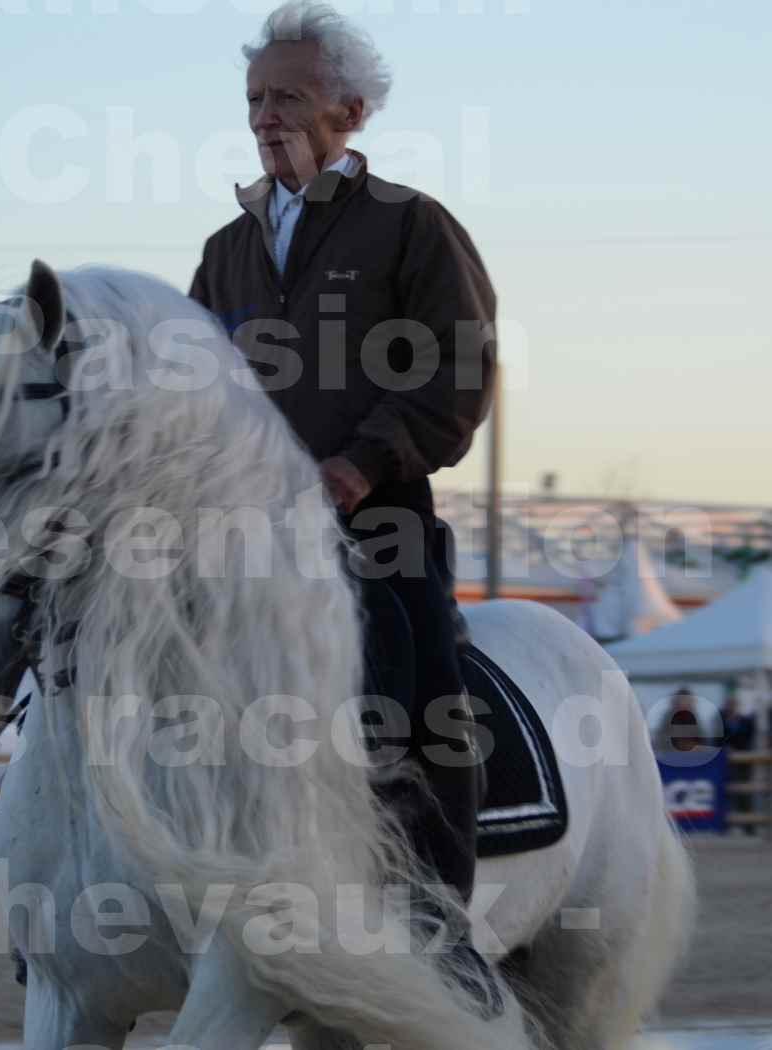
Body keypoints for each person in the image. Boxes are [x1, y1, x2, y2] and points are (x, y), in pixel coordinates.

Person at [189, 0, 500, 1013]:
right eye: (253, 99)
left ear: (350, 111)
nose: (264, 115)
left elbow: (457, 371)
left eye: (287, 97)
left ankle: (435, 922)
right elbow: (190, 390)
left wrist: (359, 468)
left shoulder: (411, 227)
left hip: (378, 519)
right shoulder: (225, 251)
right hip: (246, 533)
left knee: (414, 683)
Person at [717, 688, 757, 835]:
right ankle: (726, 827)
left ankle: (749, 827)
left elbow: (747, 739)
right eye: (729, 704)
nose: (731, 706)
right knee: (725, 793)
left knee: (744, 794)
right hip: (723, 763)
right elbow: (717, 739)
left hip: (742, 763)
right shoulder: (720, 720)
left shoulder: (745, 721)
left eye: (733, 704)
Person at [652, 687, 702, 753]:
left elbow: (701, 737)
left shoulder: (693, 716)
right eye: (681, 700)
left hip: (691, 755)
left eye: (686, 700)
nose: (683, 703)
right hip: (671, 753)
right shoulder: (668, 717)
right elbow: (661, 738)